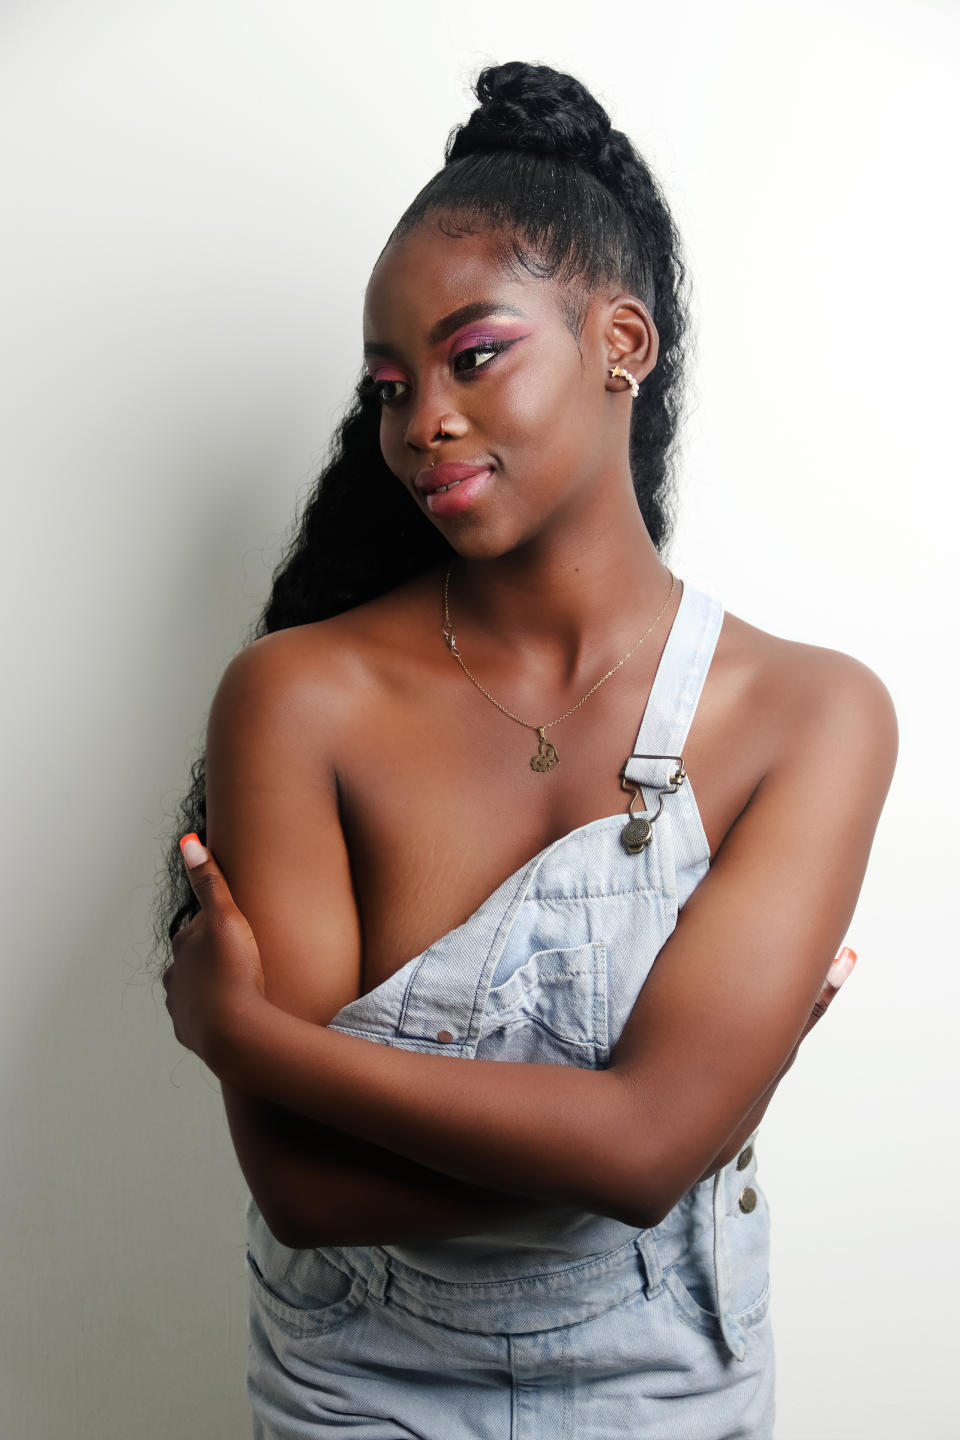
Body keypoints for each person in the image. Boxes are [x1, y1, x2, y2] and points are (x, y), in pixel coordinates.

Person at [157, 60, 897, 1440]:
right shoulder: (297, 698)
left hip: (669, 1380)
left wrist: (249, 1037)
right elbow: (306, 1192)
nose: (419, 421)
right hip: (353, 1379)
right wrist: (645, 1137)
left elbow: (647, 1155)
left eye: (475, 355)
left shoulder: (811, 713)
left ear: (623, 341)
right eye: (390, 385)